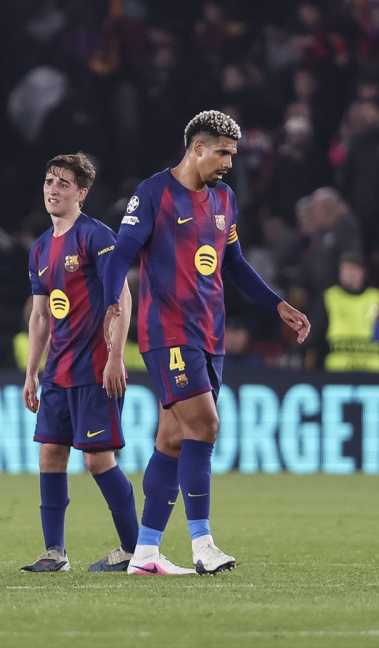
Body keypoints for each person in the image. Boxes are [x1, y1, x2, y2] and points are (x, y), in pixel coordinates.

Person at [102, 110, 311, 575]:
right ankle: (203, 543)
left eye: (232, 154)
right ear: (197, 148)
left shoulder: (224, 199)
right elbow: (120, 256)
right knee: (206, 427)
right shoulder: (153, 193)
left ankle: (146, 553)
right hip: (168, 333)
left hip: (209, 334)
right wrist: (112, 306)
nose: (229, 163)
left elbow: (232, 263)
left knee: (173, 438)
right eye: (223, 152)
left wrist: (276, 304)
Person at [19, 152, 139, 573]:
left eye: (64, 183)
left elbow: (121, 297)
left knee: (97, 460)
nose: (53, 189)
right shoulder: (39, 249)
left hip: (94, 368)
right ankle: (55, 553)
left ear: (81, 194)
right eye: (50, 181)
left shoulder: (96, 237)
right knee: (50, 456)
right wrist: (32, 373)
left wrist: (115, 356)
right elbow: (39, 316)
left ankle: (133, 550)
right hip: (57, 374)